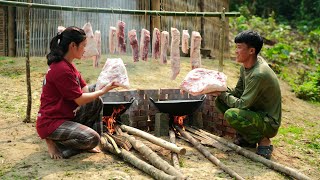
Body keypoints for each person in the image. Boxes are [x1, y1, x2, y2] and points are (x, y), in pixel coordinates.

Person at [36, 26, 118, 159]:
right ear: (73, 45)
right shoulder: (61, 69)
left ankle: (87, 143)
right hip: (51, 123)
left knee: (96, 101)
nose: (85, 49)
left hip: (65, 116)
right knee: (92, 138)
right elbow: (80, 99)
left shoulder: (69, 65)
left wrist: (107, 76)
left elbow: (85, 90)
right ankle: (59, 144)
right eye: (83, 46)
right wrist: (103, 90)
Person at [214, 30, 282, 159]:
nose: (236, 51)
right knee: (220, 101)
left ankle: (263, 140)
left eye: (239, 47)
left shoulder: (258, 74)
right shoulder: (246, 67)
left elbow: (242, 104)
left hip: (268, 122)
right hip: (254, 113)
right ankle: (248, 137)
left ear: (251, 51)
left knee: (231, 113)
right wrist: (217, 88)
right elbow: (238, 92)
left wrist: (222, 93)